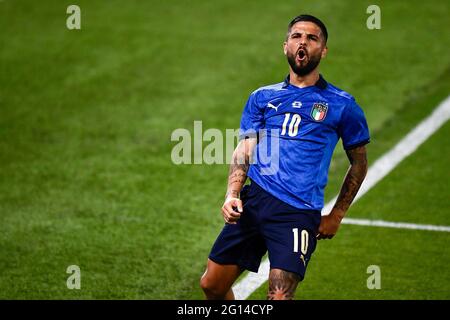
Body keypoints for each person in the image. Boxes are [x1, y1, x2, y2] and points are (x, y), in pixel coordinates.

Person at [200, 14, 370, 300]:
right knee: (212, 285)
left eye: (312, 38)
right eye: (296, 36)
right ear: (285, 46)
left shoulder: (342, 105)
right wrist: (232, 194)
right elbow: (245, 149)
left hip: (297, 212)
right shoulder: (261, 97)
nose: (303, 42)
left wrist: (337, 214)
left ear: (323, 51)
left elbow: (359, 162)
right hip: (255, 202)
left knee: (279, 295)